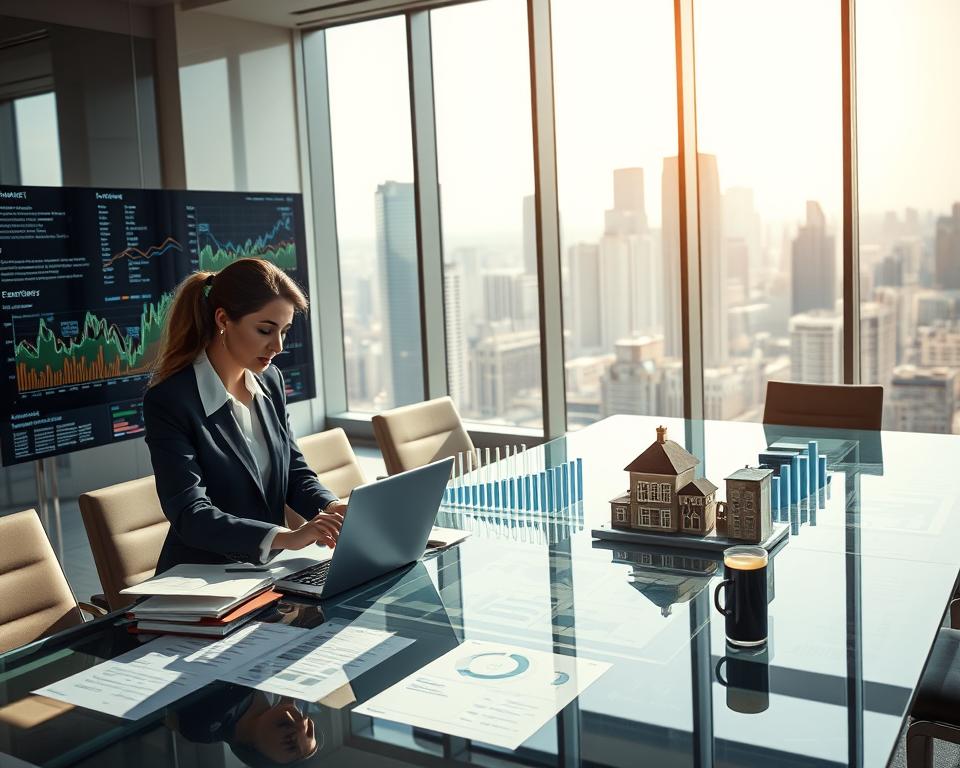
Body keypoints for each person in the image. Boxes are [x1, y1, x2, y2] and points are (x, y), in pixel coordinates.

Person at [144, 257, 345, 571]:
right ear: (223, 320)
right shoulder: (171, 400)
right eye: (266, 330)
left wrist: (329, 506)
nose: (277, 345)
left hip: (266, 572)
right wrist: (285, 537)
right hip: (202, 579)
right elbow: (191, 513)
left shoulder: (271, 380)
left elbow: (293, 469)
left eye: (284, 331)